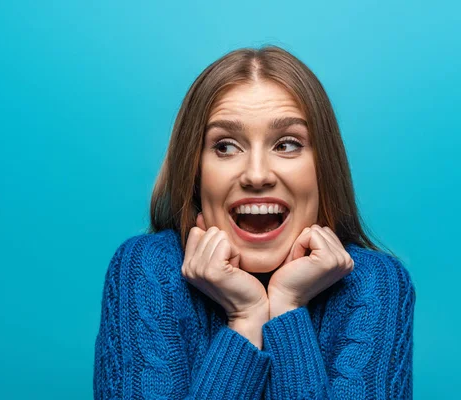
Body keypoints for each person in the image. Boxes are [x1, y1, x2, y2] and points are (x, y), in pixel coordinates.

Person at [93, 45, 415, 399]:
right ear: (195, 171)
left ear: (324, 167)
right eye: (226, 147)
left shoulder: (374, 283)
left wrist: (287, 311)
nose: (257, 175)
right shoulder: (147, 269)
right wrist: (245, 320)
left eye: (288, 144)